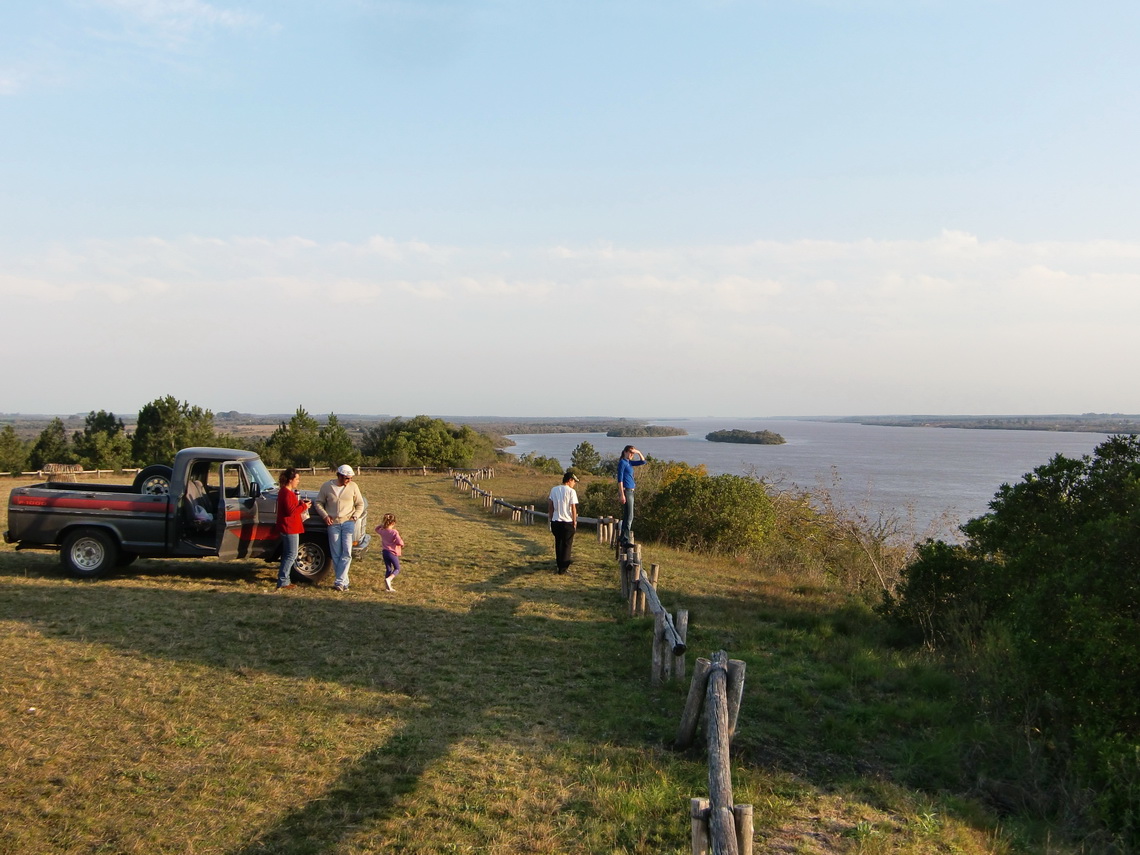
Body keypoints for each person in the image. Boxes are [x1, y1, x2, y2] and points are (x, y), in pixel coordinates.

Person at [314, 463, 365, 592]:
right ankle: (343, 582)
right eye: (347, 478)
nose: (349, 480)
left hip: (348, 522)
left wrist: (355, 516)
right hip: (333, 523)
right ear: (339, 476)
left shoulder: (353, 486)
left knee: (347, 552)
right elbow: (318, 502)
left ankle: (340, 581)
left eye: (350, 478)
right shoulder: (327, 486)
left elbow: (360, 504)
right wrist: (325, 516)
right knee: (336, 552)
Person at [274, 467, 311, 590]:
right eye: (297, 479)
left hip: (288, 526)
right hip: (290, 527)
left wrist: (300, 504)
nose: (298, 481)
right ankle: (283, 581)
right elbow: (291, 511)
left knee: (287, 554)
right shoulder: (287, 493)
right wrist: (304, 506)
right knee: (291, 555)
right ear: (290, 480)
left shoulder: (284, 492)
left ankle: (284, 580)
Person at [548, 470, 580, 573]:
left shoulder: (554, 490)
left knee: (559, 543)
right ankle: (564, 567)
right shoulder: (571, 492)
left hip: (556, 520)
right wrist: (574, 521)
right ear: (569, 480)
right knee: (567, 545)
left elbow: (551, 506)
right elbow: (573, 508)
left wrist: (550, 519)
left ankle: (559, 564)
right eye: (574, 481)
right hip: (567, 521)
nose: (574, 484)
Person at [616, 445, 647, 545]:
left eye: (632, 453)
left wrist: (638, 452)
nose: (631, 454)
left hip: (631, 491)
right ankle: (625, 539)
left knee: (627, 516)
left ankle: (622, 538)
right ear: (625, 452)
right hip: (626, 491)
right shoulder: (622, 463)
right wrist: (621, 494)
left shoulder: (629, 463)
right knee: (629, 516)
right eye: (630, 452)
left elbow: (643, 462)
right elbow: (620, 480)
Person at [375, 513, 405, 592]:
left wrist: (382, 525)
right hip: (392, 553)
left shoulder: (382, 531)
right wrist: (402, 544)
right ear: (393, 523)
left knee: (388, 569)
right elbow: (399, 542)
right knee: (397, 568)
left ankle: (388, 587)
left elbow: (376, 529)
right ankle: (389, 579)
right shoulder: (394, 532)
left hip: (384, 552)